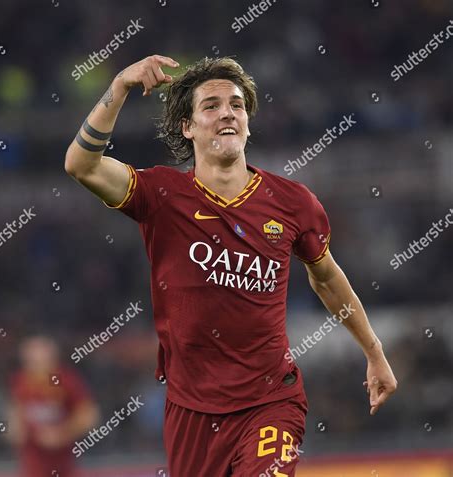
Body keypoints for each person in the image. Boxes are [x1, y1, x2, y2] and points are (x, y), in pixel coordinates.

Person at [64, 54, 398, 476]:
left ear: (247, 122)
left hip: (272, 401)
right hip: (192, 410)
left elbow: (327, 278)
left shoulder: (294, 203)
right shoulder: (161, 195)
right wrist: (120, 87)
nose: (227, 112)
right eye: (211, 105)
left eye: (237, 105)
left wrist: (373, 350)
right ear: (188, 127)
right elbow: (80, 164)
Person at [7, 335, 99, 477]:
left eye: (40, 359)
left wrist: (63, 433)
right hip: (32, 464)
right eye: (31, 360)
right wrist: (14, 431)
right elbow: (14, 415)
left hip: (63, 463)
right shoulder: (20, 382)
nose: (36, 364)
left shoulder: (67, 380)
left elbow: (89, 415)